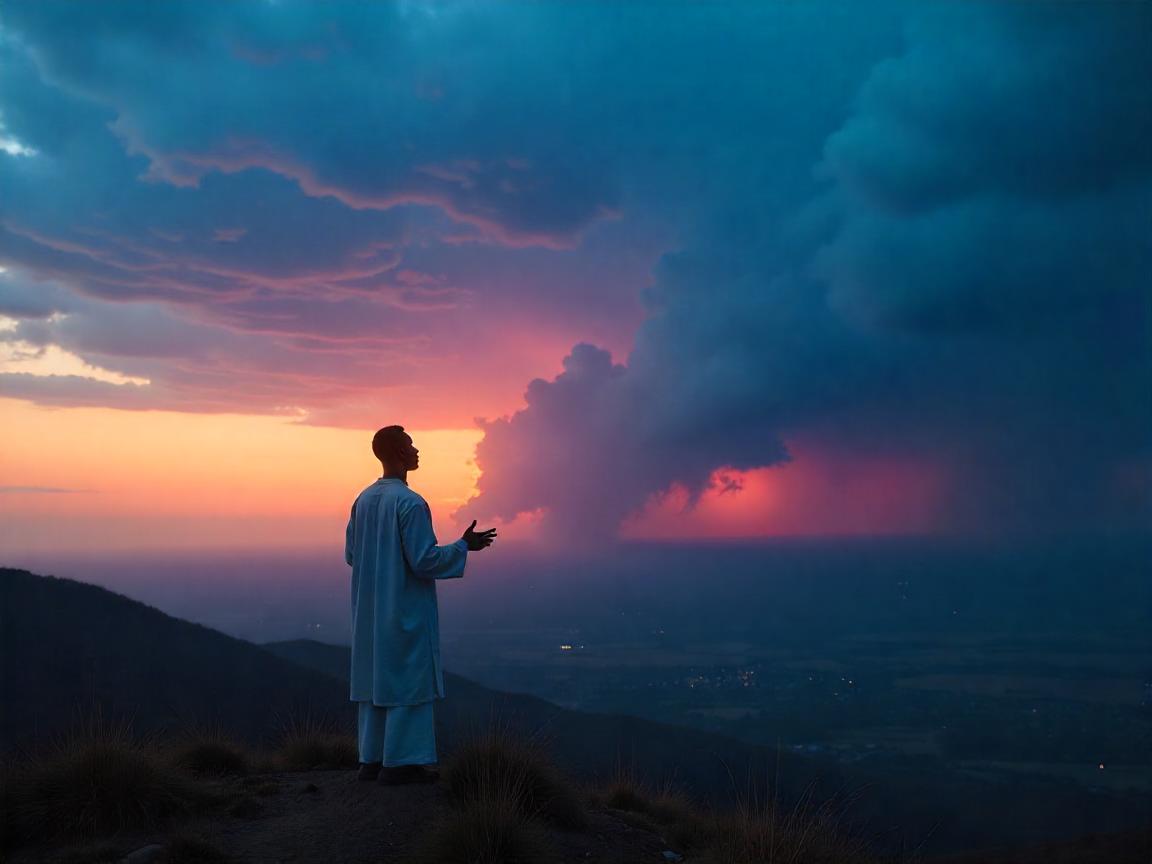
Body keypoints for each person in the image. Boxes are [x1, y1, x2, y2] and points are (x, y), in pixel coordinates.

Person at [345, 424, 496, 785]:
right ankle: (401, 764)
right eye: (411, 445)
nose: (417, 451)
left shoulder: (363, 500)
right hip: (404, 608)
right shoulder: (411, 503)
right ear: (398, 452)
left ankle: (372, 758)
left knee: (377, 679)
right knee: (408, 681)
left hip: (370, 611)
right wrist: (463, 546)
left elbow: (352, 554)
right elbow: (424, 560)